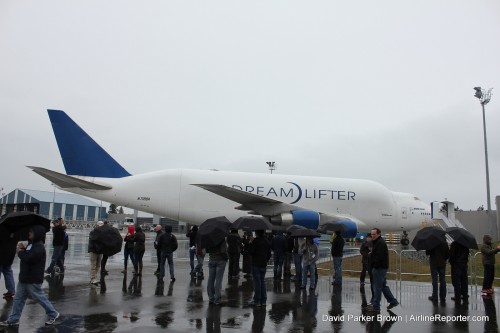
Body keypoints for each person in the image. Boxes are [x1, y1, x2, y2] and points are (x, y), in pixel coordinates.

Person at [0, 225, 59, 327]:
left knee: (40, 297)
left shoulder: (39, 247)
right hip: (25, 277)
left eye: (31, 232)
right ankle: (13, 319)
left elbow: (28, 258)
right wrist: (23, 250)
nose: (29, 234)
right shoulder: (31, 245)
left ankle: (53, 313)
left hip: (33, 279)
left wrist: (20, 252)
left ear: (37, 234)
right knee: (18, 299)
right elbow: (28, 255)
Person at [366, 228, 398, 313]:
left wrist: (374, 266)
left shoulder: (380, 243)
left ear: (379, 234)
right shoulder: (376, 242)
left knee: (377, 287)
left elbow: (379, 257)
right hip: (379, 267)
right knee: (383, 286)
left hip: (379, 268)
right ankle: (393, 301)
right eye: (371, 234)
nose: (372, 236)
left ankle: (376, 307)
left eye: (374, 234)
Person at [248, 230, 272, 307]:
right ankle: (263, 300)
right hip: (263, 264)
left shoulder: (256, 241)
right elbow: (269, 254)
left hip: (256, 264)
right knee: (262, 281)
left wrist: (251, 242)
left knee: (257, 283)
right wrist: (265, 260)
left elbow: (251, 252)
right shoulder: (267, 241)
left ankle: (257, 301)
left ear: (257, 233)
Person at [426, 237, 449, 302]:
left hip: (434, 264)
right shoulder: (445, 243)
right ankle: (443, 296)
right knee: (443, 280)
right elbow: (447, 255)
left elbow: (427, 253)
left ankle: (435, 296)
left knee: (434, 280)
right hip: (442, 263)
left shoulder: (431, 243)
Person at [206, 239, 228, 305]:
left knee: (210, 279)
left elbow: (207, 250)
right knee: (218, 280)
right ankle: (217, 299)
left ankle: (211, 298)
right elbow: (223, 251)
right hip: (220, 261)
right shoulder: (221, 240)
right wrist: (226, 257)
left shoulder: (209, 239)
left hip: (212, 259)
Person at [0, 228, 17, 299]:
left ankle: (11, 290)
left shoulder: (2, 228)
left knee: (7, 270)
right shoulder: (16, 230)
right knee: (8, 271)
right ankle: (11, 290)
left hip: (1, 253)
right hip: (10, 254)